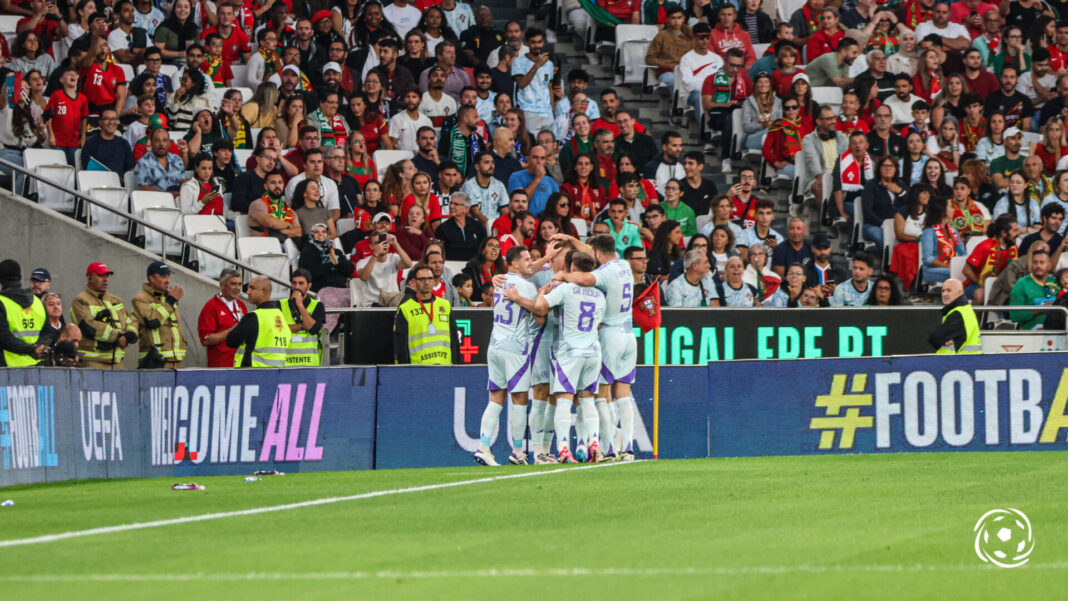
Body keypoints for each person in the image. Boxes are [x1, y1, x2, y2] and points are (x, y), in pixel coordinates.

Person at [550, 234, 637, 460]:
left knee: (603, 395)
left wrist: (563, 275)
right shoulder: (625, 265)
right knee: (624, 394)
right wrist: (570, 239)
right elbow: (592, 250)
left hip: (610, 335)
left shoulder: (603, 274)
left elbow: (585, 279)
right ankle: (627, 447)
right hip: (629, 334)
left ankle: (608, 448)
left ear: (598, 254)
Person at [529, 251, 606, 464]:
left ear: (572, 268)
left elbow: (540, 307)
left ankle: (563, 449)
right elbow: (598, 324)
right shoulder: (599, 295)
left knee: (564, 399)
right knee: (588, 400)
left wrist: (543, 292)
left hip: (569, 351)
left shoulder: (566, 289)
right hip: (592, 351)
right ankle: (595, 445)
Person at [472, 246, 540, 466]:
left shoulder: (499, 282)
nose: (530, 262)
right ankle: (518, 451)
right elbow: (541, 313)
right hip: (516, 348)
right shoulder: (526, 287)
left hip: (495, 345)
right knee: (519, 399)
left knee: (496, 398)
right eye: (527, 259)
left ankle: (483, 447)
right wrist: (542, 294)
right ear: (514, 263)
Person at [71, 261, 138, 369]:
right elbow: (88, 325)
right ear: (89, 278)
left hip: (117, 364)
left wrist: (129, 335)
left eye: (107, 276)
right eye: (100, 275)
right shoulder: (80, 300)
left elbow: (132, 320)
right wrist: (118, 336)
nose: (105, 279)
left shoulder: (116, 300)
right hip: (92, 364)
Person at [393, 262, 456, 364]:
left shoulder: (445, 305)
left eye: (430, 278)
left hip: (445, 367)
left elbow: (454, 339)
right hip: (418, 369)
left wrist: (457, 366)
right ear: (414, 282)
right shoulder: (405, 308)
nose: (427, 282)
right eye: (422, 279)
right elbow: (400, 345)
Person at [225, 277, 291, 368]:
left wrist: (239, 324)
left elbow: (231, 341)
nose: (248, 292)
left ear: (263, 291)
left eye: (252, 288)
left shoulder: (254, 317)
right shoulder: (280, 316)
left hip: (253, 374)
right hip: (276, 375)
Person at [130, 261, 185, 368]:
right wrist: (170, 301)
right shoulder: (140, 299)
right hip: (154, 362)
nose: (168, 281)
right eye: (163, 276)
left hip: (175, 361)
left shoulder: (168, 298)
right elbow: (152, 322)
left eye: (168, 276)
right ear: (151, 278)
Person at [0, 259, 48, 367]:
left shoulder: (1, 302)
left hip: (8, 369)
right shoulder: (37, 301)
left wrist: (31, 349)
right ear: (20, 277)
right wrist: (38, 347)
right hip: (37, 366)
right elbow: (48, 332)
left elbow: (3, 338)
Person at [197, 268, 248, 368]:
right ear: (222, 285)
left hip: (240, 365)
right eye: (233, 284)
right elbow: (205, 340)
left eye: (239, 284)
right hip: (220, 367)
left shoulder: (241, 305)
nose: (237, 288)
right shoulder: (211, 306)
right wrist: (232, 331)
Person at [281, 269, 326, 367]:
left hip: (310, 364)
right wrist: (302, 325)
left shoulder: (317, 305)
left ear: (309, 286)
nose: (297, 287)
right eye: (294, 283)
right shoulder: (280, 304)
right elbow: (279, 330)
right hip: (286, 364)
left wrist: (300, 305)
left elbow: (313, 329)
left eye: (301, 283)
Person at [511, 28, 553, 134]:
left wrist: (552, 112)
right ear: (526, 43)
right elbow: (521, 84)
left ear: (543, 42)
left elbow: (548, 88)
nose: (537, 45)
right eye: (533, 42)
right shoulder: (518, 62)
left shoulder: (549, 64)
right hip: (528, 111)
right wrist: (536, 65)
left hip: (547, 113)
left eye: (539, 42)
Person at [356, 231, 413, 306]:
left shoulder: (393, 258)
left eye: (384, 242)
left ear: (388, 244)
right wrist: (376, 254)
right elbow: (364, 277)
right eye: (377, 243)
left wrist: (395, 244)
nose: (381, 245)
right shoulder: (363, 262)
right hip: (373, 304)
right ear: (371, 246)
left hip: (393, 301)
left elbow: (408, 264)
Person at [929, 278, 982, 353]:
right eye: (943, 291)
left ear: (960, 293)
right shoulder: (967, 309)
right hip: (968, 361)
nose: (944, 294)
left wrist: (942, 341)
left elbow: (935, 338)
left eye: (949, 290)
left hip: (956, 362)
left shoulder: (957, 314)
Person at [645, 7, 693, 89]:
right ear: (667, 19)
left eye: (679, 17)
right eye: (673, 18)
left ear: (684, 19)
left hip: (686, 72)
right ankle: (678, 101)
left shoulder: (690, 36)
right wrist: (668, 65)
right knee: (673, 81)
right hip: (667, 73)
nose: (676, 21)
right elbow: (649, 59)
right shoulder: (661, 36)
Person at [298, 223, 356, 291]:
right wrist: (330, 264)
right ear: (312, 235)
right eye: (316, 232)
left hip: (340, 287)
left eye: (324, 231)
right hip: (320, 288)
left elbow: (349, 271)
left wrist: (338, 262)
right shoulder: (307, 253)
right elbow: (306, 274)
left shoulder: (335, 251)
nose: (321, 234)